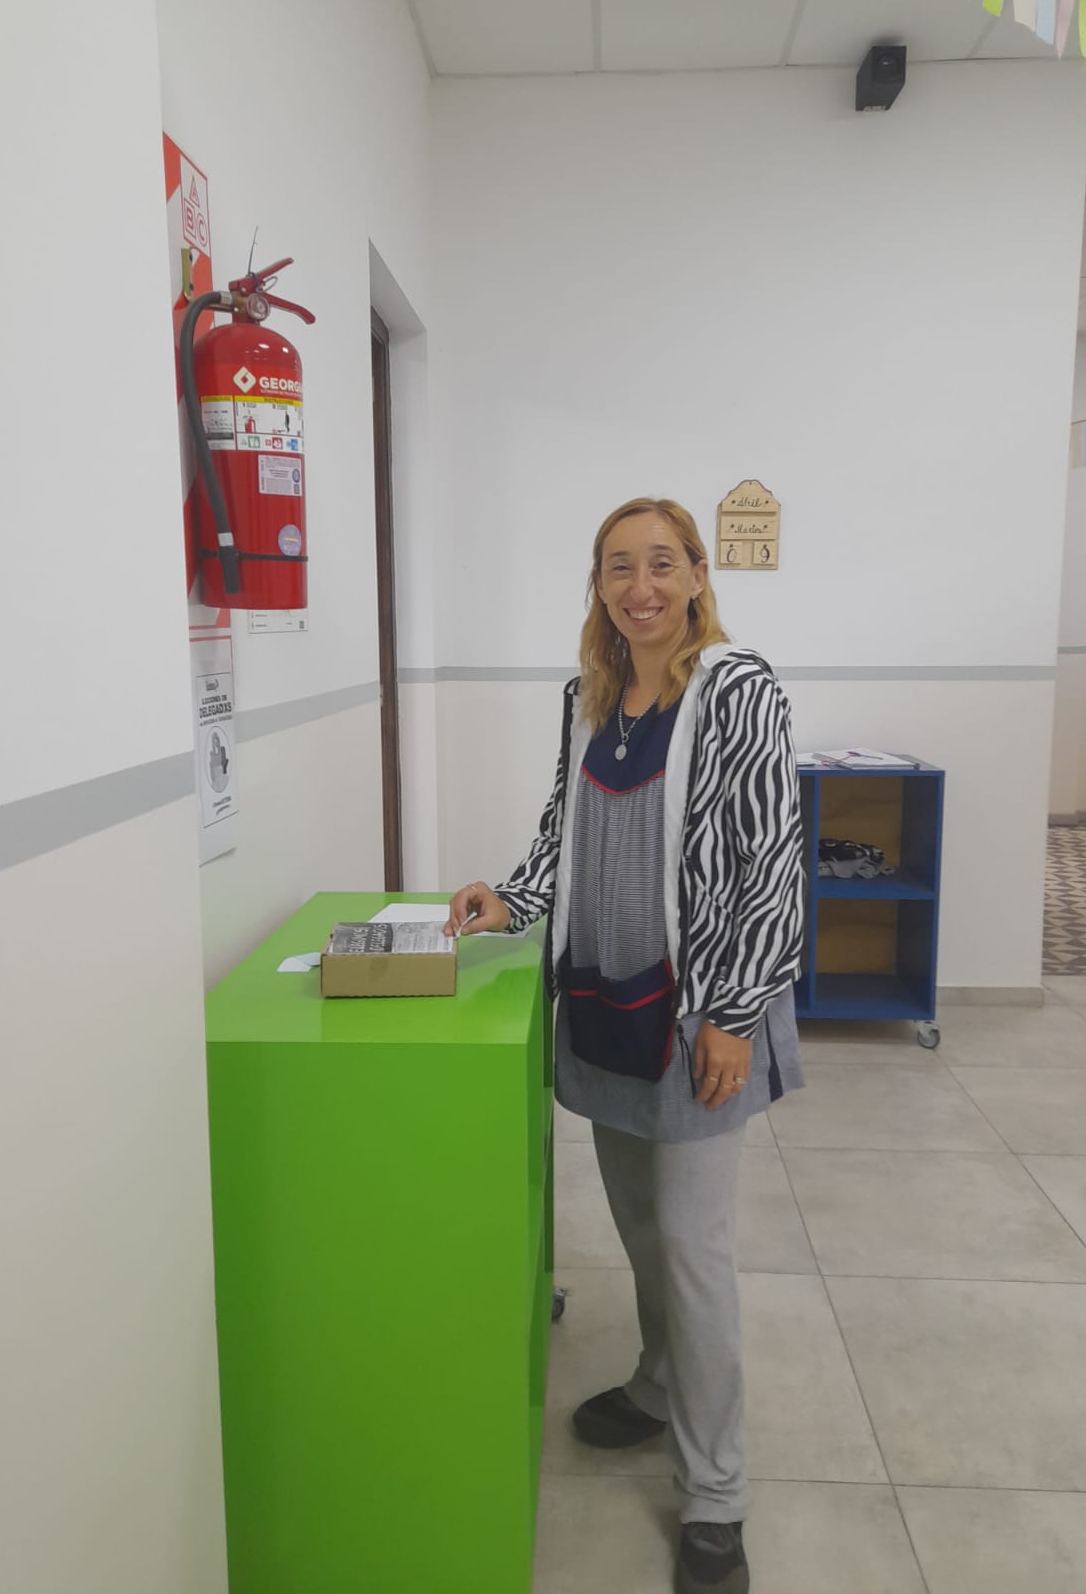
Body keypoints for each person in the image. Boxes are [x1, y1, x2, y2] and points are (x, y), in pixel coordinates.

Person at [446, 497, 804, 1594]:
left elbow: (770, 856)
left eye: (659, 564)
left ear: (696, 574)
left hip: (698, 1015)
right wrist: (512, 900)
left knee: (692, 1252)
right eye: (617, 568)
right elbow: (566, 825)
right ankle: (656, 1384)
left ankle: (716, 1497)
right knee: (643, 1229)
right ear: (598, 586)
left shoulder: (736, 688)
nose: (639, 588)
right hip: (605, 1003)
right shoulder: (590, 696)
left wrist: (734, 1013)